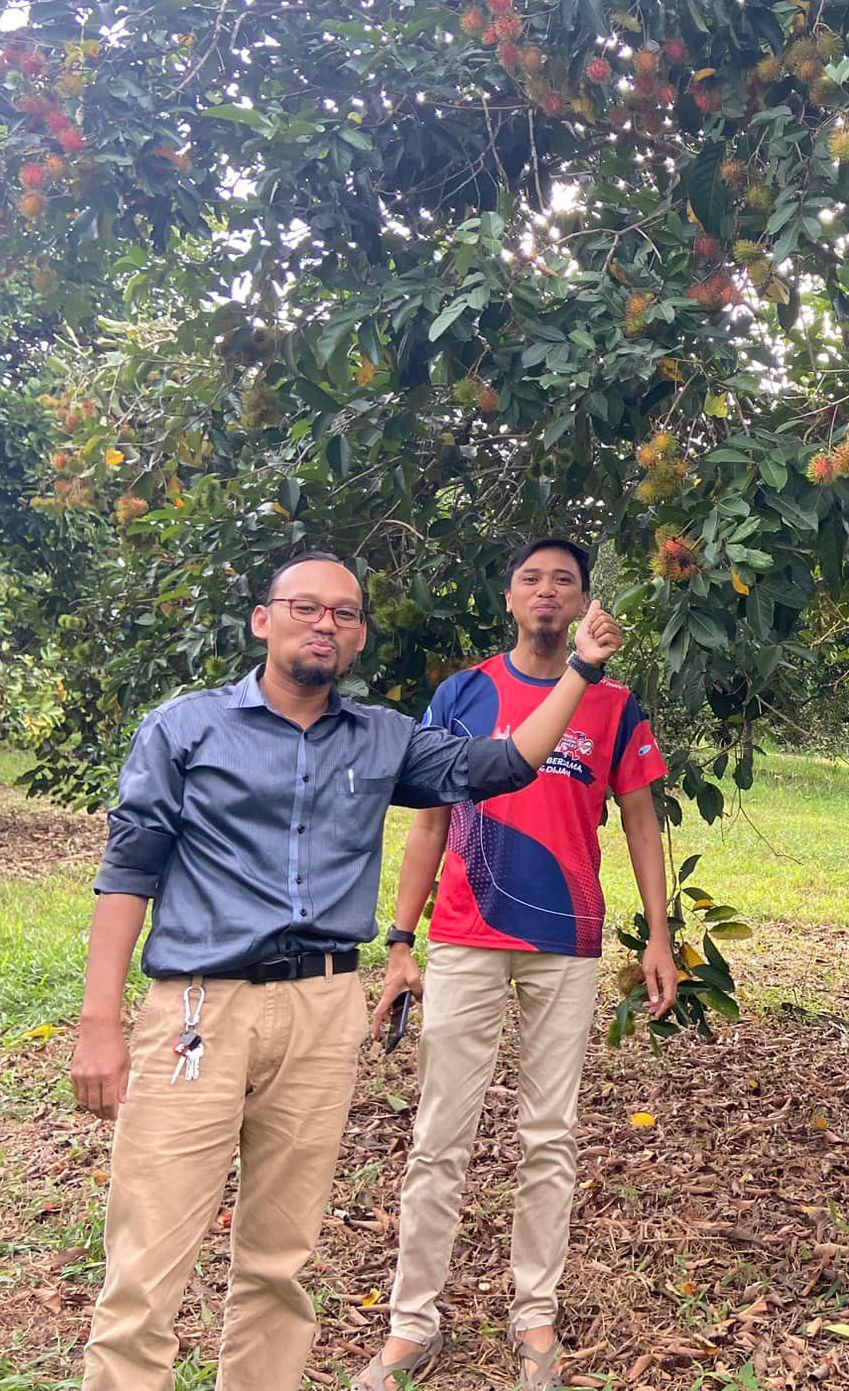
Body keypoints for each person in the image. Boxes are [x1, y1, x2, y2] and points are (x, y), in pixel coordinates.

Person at [68, 550, 624, 1391]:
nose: (324, 624)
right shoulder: (185, 727)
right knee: (147, 1267)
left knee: (278, 1265)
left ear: (359, 637)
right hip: (199, 1010)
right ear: (264, 619)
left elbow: (502, 766)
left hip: (324, 1006)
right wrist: (98, 1022)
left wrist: (580, 670)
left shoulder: (384, 738)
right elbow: (129, 871)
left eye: (344, 614)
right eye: (306, 607)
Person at [356, 536, 678, 1391]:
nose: (545, 591)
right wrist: (400, 941)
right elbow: (426, 820)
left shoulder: (614, 706)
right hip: (464, 935)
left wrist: (658, 936)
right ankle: (410, 1324)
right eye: (531, 579)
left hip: (566, 943)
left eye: (562, 582)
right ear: (509, 599)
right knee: (439, 1137)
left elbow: (642, 822)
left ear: (578, 606)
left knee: (550, 1136)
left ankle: (534, 1316)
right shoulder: (462, 694)